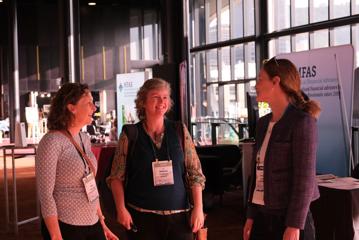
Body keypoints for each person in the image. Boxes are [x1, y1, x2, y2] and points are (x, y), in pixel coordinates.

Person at [107, 78, 206, 240]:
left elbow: (195, 173)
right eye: (155, 97)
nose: (161, 102)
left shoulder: (180, 130)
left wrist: (199, 208)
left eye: (165, 97)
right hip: (142, 217)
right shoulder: (130, 134)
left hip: (180, 218)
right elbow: (116, 177)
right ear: (143, 102)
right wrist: (121, 209)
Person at [243, 57, 321, 240]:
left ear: (276, 81)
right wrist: (251, 215)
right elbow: (257, 174)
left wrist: (293, 225)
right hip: (262, 218)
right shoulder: (262, 124)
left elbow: (304, 180)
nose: (256, 85)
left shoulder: (302, 122)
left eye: (260, 79)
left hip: (290, 220)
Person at [36, 83, 118, 240]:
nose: (94, 108)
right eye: (88, 103)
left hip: (93, 223)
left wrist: (102, 223)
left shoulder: (84, 138)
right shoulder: (51, 141)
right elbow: (46, 195)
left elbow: (91, 184)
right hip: (66, 226)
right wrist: (56, 236)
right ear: (71, 107)